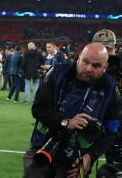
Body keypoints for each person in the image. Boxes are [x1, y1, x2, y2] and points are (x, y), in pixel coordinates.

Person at [23, 42, 121, 178]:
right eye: (85, 62)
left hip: (78, 159)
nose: (88, 69)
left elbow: (111, 133)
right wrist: (66, 122)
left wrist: (89, 158)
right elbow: (38, 109)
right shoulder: (56, 73)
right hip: (42, 148)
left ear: (105, 67)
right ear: (79, 57)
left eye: (96, 66)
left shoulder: (111, 90)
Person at [92, 29, 122, 177]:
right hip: (92, 128)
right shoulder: (87, 68)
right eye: (100, 49)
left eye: (108, 49)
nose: (105, 54)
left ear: (115, 48)